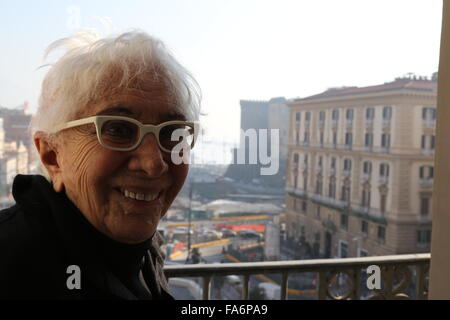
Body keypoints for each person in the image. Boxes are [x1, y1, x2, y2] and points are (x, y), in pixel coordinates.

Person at [0, 30, 201, 299]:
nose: (154, 164)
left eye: (172, 133)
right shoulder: (10, 263)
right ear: (52, 155)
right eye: (118, 130)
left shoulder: (138, 250)